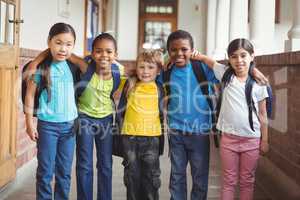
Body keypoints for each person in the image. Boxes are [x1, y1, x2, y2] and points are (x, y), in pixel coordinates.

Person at [160, 30, 219, 200]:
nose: (179, 53)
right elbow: (145, 74)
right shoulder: (166, 72)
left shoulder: (201, 68)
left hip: (199, 132)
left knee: (199, 176)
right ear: (168, 52)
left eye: (184, 49)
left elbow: (227, 73)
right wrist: (162, 61)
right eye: (173, 50)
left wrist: (204, 58)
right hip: (176, 132)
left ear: (193, 50)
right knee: (177, 175)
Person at [25, 22, 81, 200]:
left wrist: (66, 53)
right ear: (49, 41)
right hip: (48, 126)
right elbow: (29, 96)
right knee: (45, 171)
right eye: (58, 43)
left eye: (68, 44)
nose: (63, 48)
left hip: (70, 127)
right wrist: (28, 123)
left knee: (64, 172)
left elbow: (86, 66)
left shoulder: (73, 67)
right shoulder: (40, 68)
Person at [212, 38, 269, 200]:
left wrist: (265, 140)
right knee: (228, 180)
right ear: (229, 59)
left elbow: (263, 114)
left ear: (252, 56)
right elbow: (208, 61)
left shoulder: (259, 83)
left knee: (247, 181)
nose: (239, 60)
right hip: (228, 139)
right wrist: (197, 55)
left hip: (251, 140)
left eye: (243, 55)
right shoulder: (226, 75)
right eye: (234, 56)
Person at [75, 32, 125, 200]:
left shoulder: (119, 71)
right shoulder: (84, 67)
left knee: (105, 164)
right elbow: (65, 52)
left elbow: (146, 70)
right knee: (84, 164)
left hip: (106, 120)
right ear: (92, 52)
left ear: (115, 55)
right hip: (84, 119)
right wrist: (35, 63)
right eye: (99, 51)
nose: (104, 55)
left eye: (109, 52)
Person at [118, 49, 165, 200]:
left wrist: (159, 56)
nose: (145, 71)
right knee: (132, 176)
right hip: (130, 138)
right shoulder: (129, 84)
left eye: (150, 67)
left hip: (152, 139)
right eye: (142, 67)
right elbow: (121, 112)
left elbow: (170, 63)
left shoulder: (160, 87)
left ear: (158, 71)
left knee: (151, 178)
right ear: (136, 68)